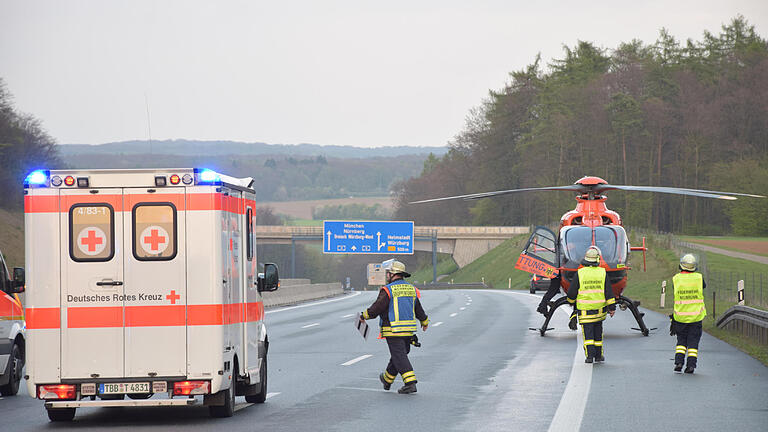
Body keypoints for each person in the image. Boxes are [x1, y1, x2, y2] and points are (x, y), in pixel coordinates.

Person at [359, 259, 429, 394]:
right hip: (408, 331)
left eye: (388, 273)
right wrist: (424, 321)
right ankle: (387, 379)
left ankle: (410, 383)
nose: (386, 276)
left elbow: (377, 307)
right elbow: (418, 308)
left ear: (393, 274)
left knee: (399, 356)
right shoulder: (411, 289)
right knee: (399, 355)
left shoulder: (388, 290)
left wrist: (364, 316)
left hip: (393, 330)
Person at [567, 246, 616, 363]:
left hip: (585, 312)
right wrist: (612, 308)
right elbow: (608, 292)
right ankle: (599, 356)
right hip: (600, 311)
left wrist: (570, 301)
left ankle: (590, 356)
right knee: (598, 334)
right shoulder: (602, 272)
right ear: (597, 259)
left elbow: (572, 292)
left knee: (588, 335)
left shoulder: (580, 273)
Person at [670, 254, 707, 374]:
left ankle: (679, 362)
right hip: (696, 317)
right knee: (693, 343)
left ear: (681, 265)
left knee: (681, 342)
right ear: (694, 266)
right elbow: (704, 287)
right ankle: (691, 366)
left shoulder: (676, 278)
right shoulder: (699, 278)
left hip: (680, 317)